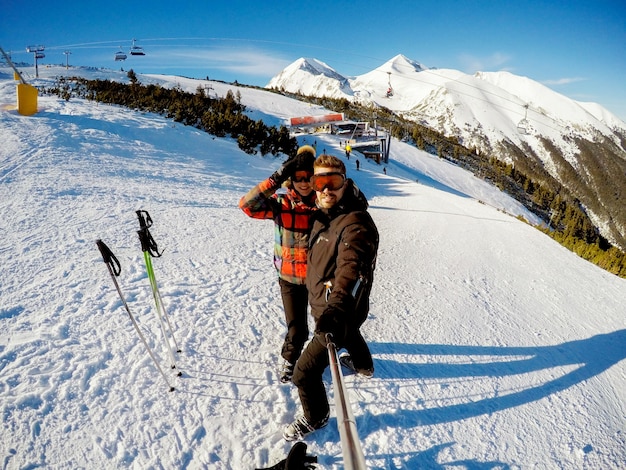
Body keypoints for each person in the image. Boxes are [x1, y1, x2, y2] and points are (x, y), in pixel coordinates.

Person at [283, 154, 379, 441]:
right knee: (353, 332)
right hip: (339, 309)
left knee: (304, 374)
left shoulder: (355, 223)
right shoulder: (324, 214)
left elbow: (353, 267)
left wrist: (335, 311)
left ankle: (316, 416)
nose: (326, 189)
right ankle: (364, 365)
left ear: (345, 183)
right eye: (319, 182)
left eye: (333, 182)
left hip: (336, 312)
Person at [239, 145, 317, 383]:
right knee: (298, 329)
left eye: (309, 178)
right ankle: (290, 359)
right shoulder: (281, 204)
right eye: (298, 178)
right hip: (290, 277)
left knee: (328, 324)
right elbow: (247, 206)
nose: (304, 183)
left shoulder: (323, 205)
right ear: (290, 179)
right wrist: (276, 178)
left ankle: (329, 357)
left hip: (319, 277)